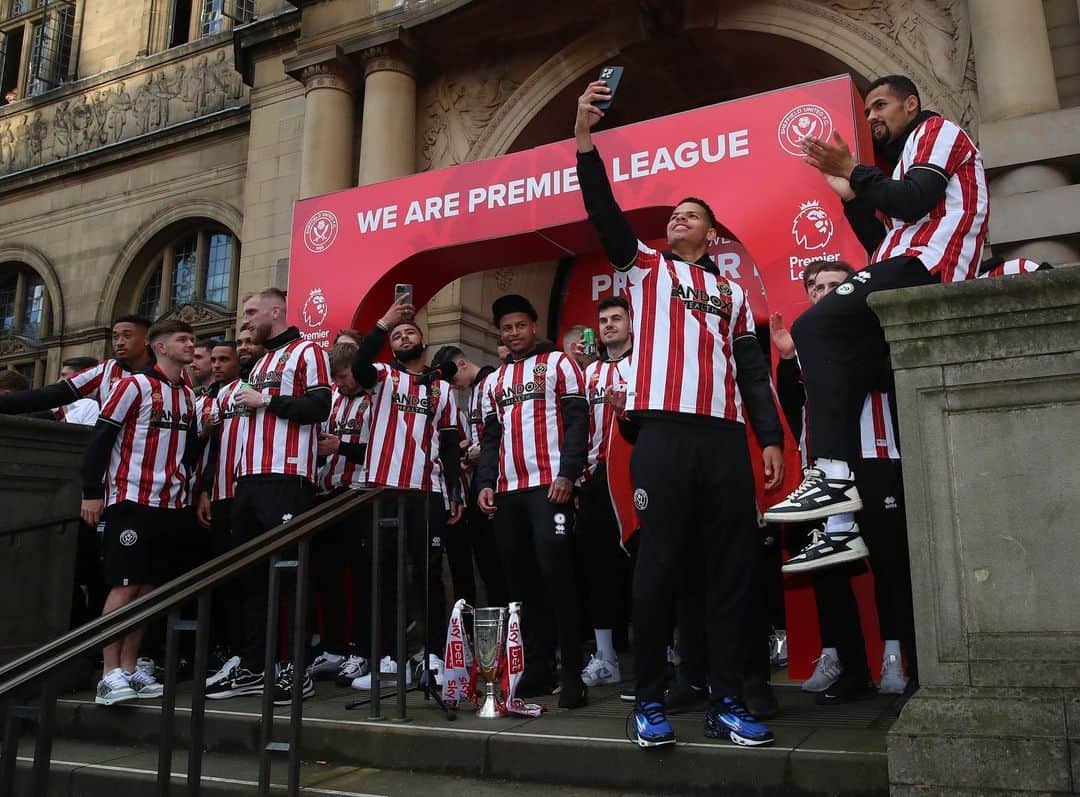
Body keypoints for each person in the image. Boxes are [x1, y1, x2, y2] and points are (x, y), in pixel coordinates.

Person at [575, 79, 785, 748]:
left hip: (725, 440)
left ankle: (727, 697)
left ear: (712, 231)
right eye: (673, 215)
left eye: (690, 215)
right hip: (664, 435)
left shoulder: (728, 293)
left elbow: (750, 372)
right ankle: (649, 700)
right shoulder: (644, 270)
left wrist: (771, 438)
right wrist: (584, 138)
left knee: (731, 571)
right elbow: (606, 214)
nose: (676, 220)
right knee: (659, 566)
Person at [765, 75, 988, 570]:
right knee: (847, 371)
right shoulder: (904, 162)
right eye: (867, 112)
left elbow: (911, 201)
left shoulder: (939, 132)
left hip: (930, 270)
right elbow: (881, 239)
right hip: (903, 269)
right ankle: (841, 525)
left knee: (812, 327)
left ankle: (832, 477)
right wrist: (849, 192)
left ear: (912, 104)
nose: (872, 118)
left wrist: (854, 169)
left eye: (881, 106)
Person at [772, 259, 917, 705]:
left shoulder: (875, 334)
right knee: (826, 569)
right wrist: (791, 359)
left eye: (838, 285)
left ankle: (901, 661)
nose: (826, 292)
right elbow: (794, 410)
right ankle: (848, 666)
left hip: (875, 460)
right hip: (821, 476)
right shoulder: (804, 343)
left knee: (892, 566)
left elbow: (885, 381)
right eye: (817, 287)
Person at [205, 288, 331, 704]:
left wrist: (268, 400)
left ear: (276, 311)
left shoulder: (307, 351)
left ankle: (298, 666)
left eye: (252, 312)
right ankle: (255, 664)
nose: (246, 320)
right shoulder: (259, 361)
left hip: (287, 477)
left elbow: (319, 407)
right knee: (251, 576)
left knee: (293, 576)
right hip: (249, 481)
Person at [80, 319, 203, 705]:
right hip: (131, 500)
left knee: (149, 588)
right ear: (161, 347)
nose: (191, 346)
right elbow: (101, 436)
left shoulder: (187, 393)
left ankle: (130, 669)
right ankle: (108, 672)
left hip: (171, 503)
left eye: (192, 339)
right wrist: (91, 492)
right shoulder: (133, 385)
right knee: (125, 585)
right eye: (184, 340)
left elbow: (187, 451)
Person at [476, 293, 590, 709]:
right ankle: (537, 668)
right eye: (507, 327)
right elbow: (490, 440)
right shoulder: (492, 382)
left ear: (534, 327)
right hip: (507, 494)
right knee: (520, 585)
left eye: (520, 325)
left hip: (550, 487)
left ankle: (574, 674)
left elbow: (579, 423)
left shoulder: (561, 363)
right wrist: (484, 483)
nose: (514, 333)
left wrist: (568, 475)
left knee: (558, 576)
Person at [350, 297, 463, 689]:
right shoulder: (380, 376)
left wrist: (455, 494)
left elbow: (449, 446)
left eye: (408, 332)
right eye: (396, 335)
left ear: (422, 341)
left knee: (429, 575)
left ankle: (433, 656)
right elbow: (359, 365)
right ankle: (386, 658)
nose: (401, 337)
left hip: (427, 492)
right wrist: (383, 322)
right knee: (384, 574)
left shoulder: (443, 390)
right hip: (384, 489)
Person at [305, 341, 376, 687]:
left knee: (363, 578)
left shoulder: (378, 399)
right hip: (326, 494)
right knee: (327, 577)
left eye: (344, 375)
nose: (341, 383)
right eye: (335, 377)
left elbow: (386, 450)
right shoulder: (331, 399)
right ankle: (333, 650)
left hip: (359, 496)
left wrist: (342, 447)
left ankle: (361, 651)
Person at [576, 296, 633, 688]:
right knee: (597, 569)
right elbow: (574, 426)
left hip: (636, 476)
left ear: (631, 323)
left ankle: (662, 652)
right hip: (595, 480)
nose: (609, 324)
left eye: (616, 318)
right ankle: (606, 656)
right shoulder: (587, 374)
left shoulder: (646, 363)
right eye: (603, 320)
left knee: (644, 566)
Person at [428, 344, 508, 609]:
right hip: (481, 479)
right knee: (486, 563)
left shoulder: (492, 381)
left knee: (498, 563)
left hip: (499, 481)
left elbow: (503, 431)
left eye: (453, 379)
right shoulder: (473, 392)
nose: (454, 386)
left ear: (462, 364)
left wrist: (478, 451)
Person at [193, 342, 245, 676]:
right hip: (217, 494)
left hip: (244, 492)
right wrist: (205, 490)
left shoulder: (246, 391)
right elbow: (205, 450)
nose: (216, 365)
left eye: (224, 359)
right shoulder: (209, 399)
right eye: (213, 360)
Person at [0, 315, 153, 415]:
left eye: (127, 336)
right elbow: (55, 393)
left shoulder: (164, 372)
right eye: (115, 337)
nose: (119, 342)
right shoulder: (106, 370)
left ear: (146, 340)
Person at [56, 357, 101, 425]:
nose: (58, 381)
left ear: (79, 377)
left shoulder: (92, 406)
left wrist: (60, 416)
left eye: (64, 375)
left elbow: (87, 434)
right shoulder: (58, 404)